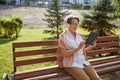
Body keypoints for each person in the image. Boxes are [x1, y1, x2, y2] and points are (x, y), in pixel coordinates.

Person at [56, 15, 101, 80]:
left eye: (77, 24)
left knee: (96, 78)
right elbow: (64, 53)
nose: (76, 26)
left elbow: (82, 52)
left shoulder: (80, 36)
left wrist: (91, 46)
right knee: (86, 79)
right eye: (73, 23)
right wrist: (78, 48)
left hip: (83, 61)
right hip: (71, 64)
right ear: (68, 24)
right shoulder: (63, 36)